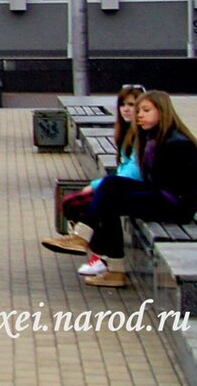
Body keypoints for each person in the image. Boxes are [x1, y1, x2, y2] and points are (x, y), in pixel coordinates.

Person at [42, 90, 197, 288]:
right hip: (160, 194)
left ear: (162, 111)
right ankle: (83, 238)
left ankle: (113, 268)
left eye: (146, 110)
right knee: (110, 184)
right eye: (138, 111)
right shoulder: (153, 135)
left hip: (175, 205)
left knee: (112, 203)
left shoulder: (177, 142)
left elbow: (196, 172)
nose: (139, 115)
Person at [61, 85, 146, 277]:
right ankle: (100, 255)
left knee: (85, 204)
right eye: (122, 105)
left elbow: (134, 172)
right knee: (74, 203)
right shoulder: (126, 132)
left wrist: (96, 185)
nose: (126, 109)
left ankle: (97, 253)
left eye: (132, 105)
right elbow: (124, 168)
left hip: (140, 188)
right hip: (127, 186)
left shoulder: (142, 134)